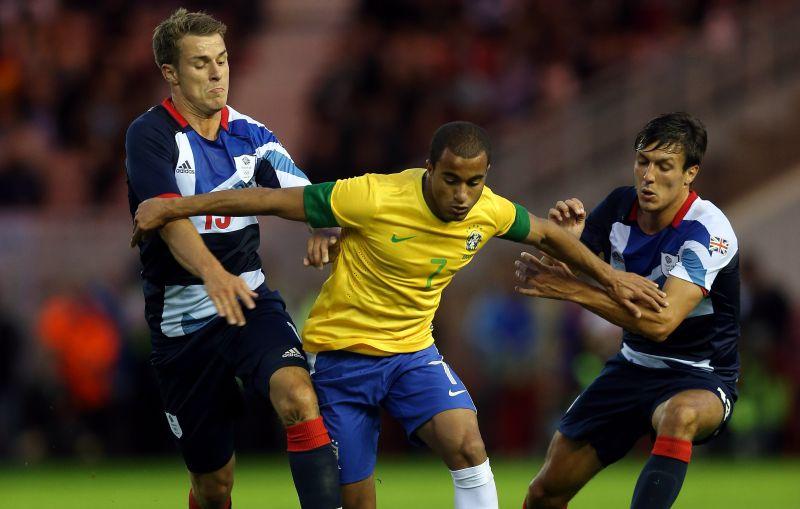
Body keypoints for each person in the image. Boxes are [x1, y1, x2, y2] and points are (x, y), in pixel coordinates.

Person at [131, 121, 666, 509]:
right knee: (357, 502)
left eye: (474, 182)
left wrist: (613, 278)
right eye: (452, 179)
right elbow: (271, 201)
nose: (463, 195)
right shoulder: (374, 195)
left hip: (412, 354)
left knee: (469, 444)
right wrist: (176, 207)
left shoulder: (489, 209)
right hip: (341, 362)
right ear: (429, 169)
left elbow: (548, 234)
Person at [125, 9, 340, 509]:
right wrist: (211, 273)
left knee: (298, 397)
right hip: (180, 320)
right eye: (200, 63)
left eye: (222, 60)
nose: (217, 72)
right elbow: (167, 218)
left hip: (248, 298)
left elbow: (306, 194)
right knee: (215, 485)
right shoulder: (149, 135)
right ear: (171, 74)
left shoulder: (254, 136)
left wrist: (324, 224)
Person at [514, 112, 739, 509]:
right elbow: (575, 262)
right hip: (630, 367)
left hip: (700, 377)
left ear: (690, 173)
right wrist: (568, 243)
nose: (648, 176)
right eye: (643, 162)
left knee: (680, 415)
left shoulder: (709, 231)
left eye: (664, 166)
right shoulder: (620, 206)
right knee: (543, 493)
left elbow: (661, 323)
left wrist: (574, 291)